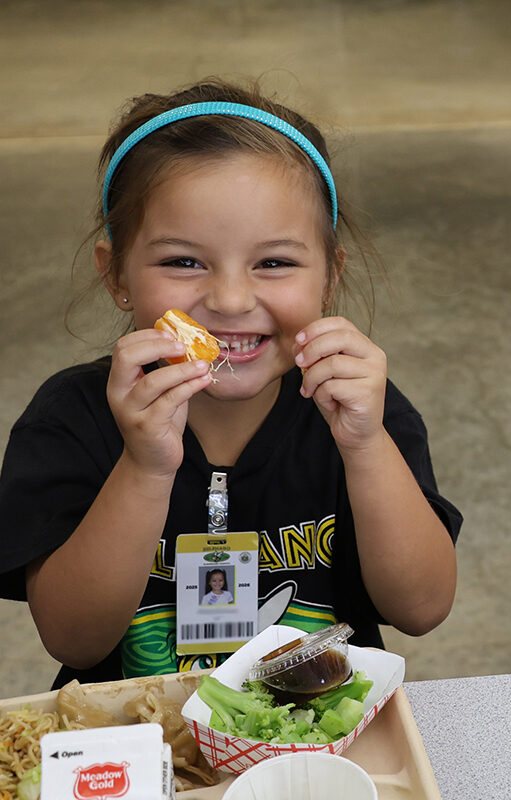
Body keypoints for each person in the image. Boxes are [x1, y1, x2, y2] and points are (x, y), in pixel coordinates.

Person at [0, 79, 462, 687]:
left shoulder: (359, 412)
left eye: (274, 263)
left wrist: (366, 446)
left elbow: (422, 608)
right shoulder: (72, 417)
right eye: (183, 262)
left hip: (314, 736)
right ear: (117, 276)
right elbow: (75, 640)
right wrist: (144, 468)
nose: (230, 299)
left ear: (329, 275)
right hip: (141, 740)